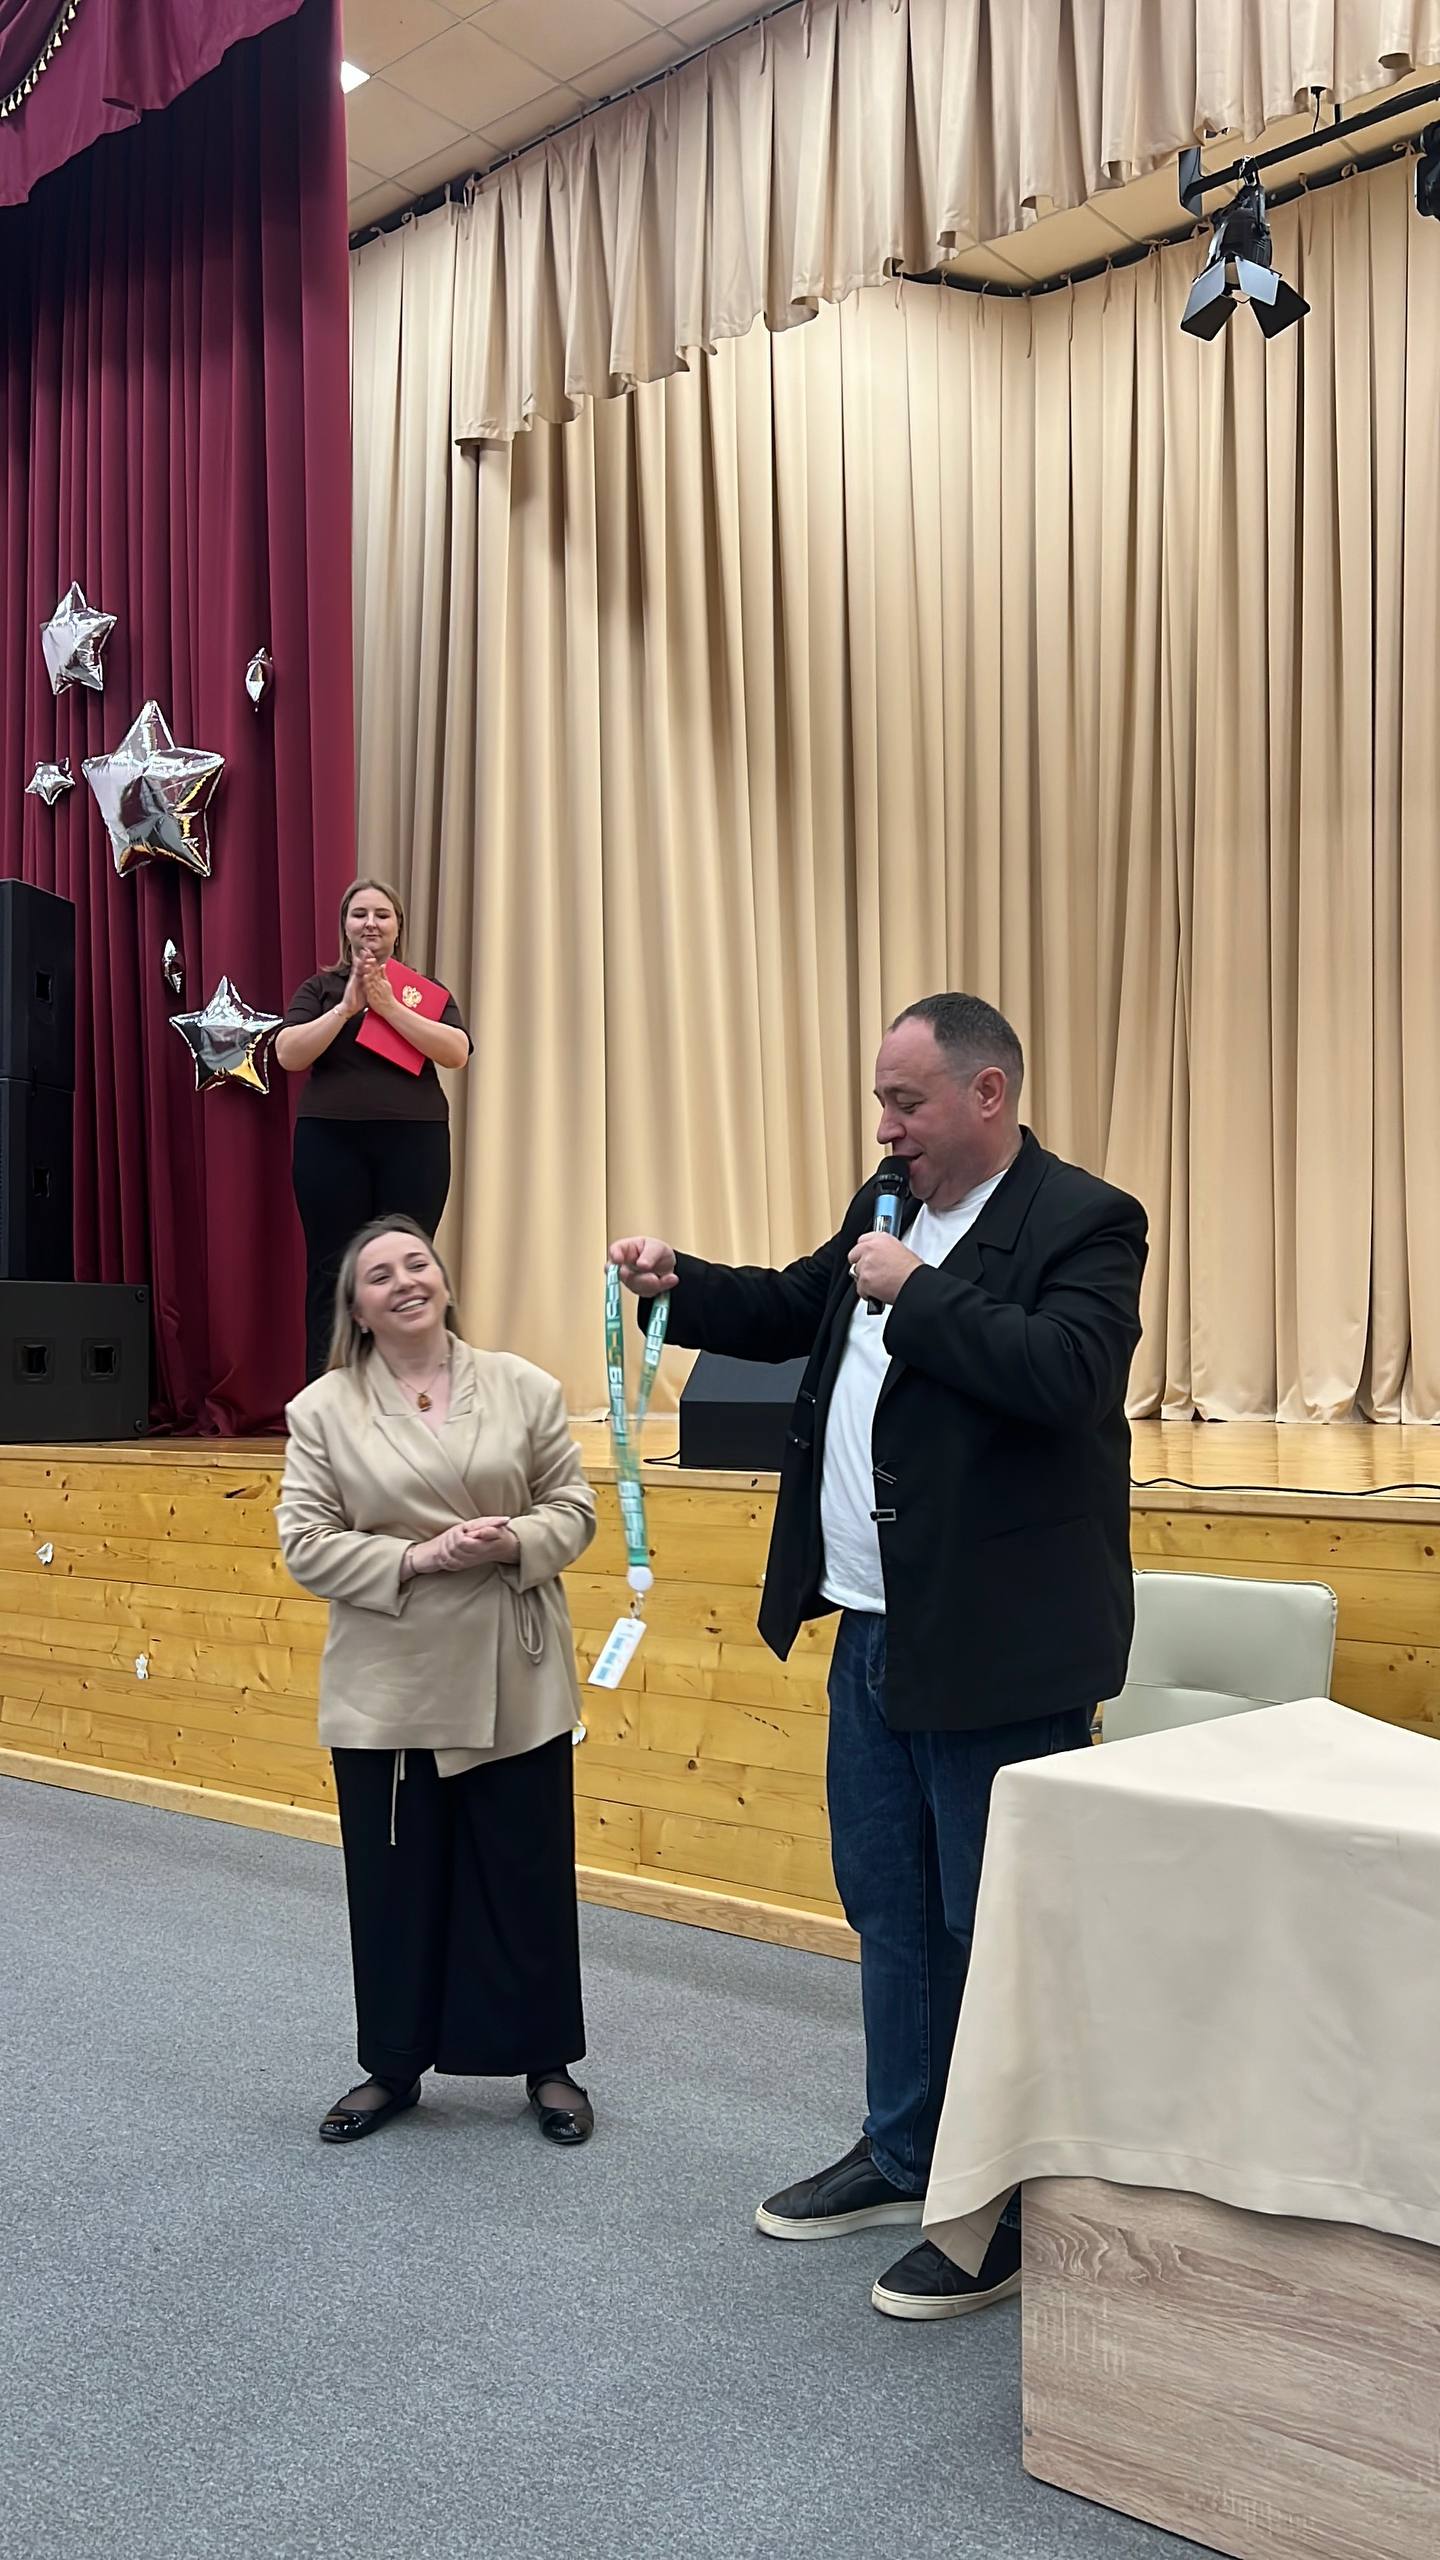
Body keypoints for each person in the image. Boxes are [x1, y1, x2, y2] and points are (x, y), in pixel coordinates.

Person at [609, 993, 1146, 2319]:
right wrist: (683, 1283)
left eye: (906, 1101)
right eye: (880, 1102)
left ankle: (1003, 2201)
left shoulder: (1086, 1219)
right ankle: (907, 2150)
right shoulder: (886, 1202)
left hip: (1000, 1650)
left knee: (989, 1927)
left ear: (987, 1093)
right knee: (891, 1911)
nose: (885, 1127)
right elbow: (800, 1303)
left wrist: (921, 1291)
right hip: (870, 1625)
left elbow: (1069, 1375)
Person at [276, 1215, 598, 2149]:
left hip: (514, 1672)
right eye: (380, 1274)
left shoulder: (525, 1386)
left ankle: (549, 2063)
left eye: (418, 1263)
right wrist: (418, 1558)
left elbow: (574, 1508)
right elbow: (305, 1543)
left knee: (527, 1879)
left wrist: (514, 1540)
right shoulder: (321, 1410)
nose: (405, 1280)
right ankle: (391, 2066)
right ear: (357, 1309)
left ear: (446, 1282)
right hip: (392, 1685)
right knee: (395, 1886)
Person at [276, 877, 472, 1381]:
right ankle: (329, 1397)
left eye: (382, 915)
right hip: (329, 1142)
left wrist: (388, 1007)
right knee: (332, 1269)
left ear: (397, 927)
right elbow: (288, 1053)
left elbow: (456, 1052)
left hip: (415, 1143)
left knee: (409, 1269)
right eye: (359, 914)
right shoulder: (320, 989)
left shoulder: (422, 992)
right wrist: (347, 1008)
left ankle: (412, 1392)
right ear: (345, 925)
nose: (370, 923)